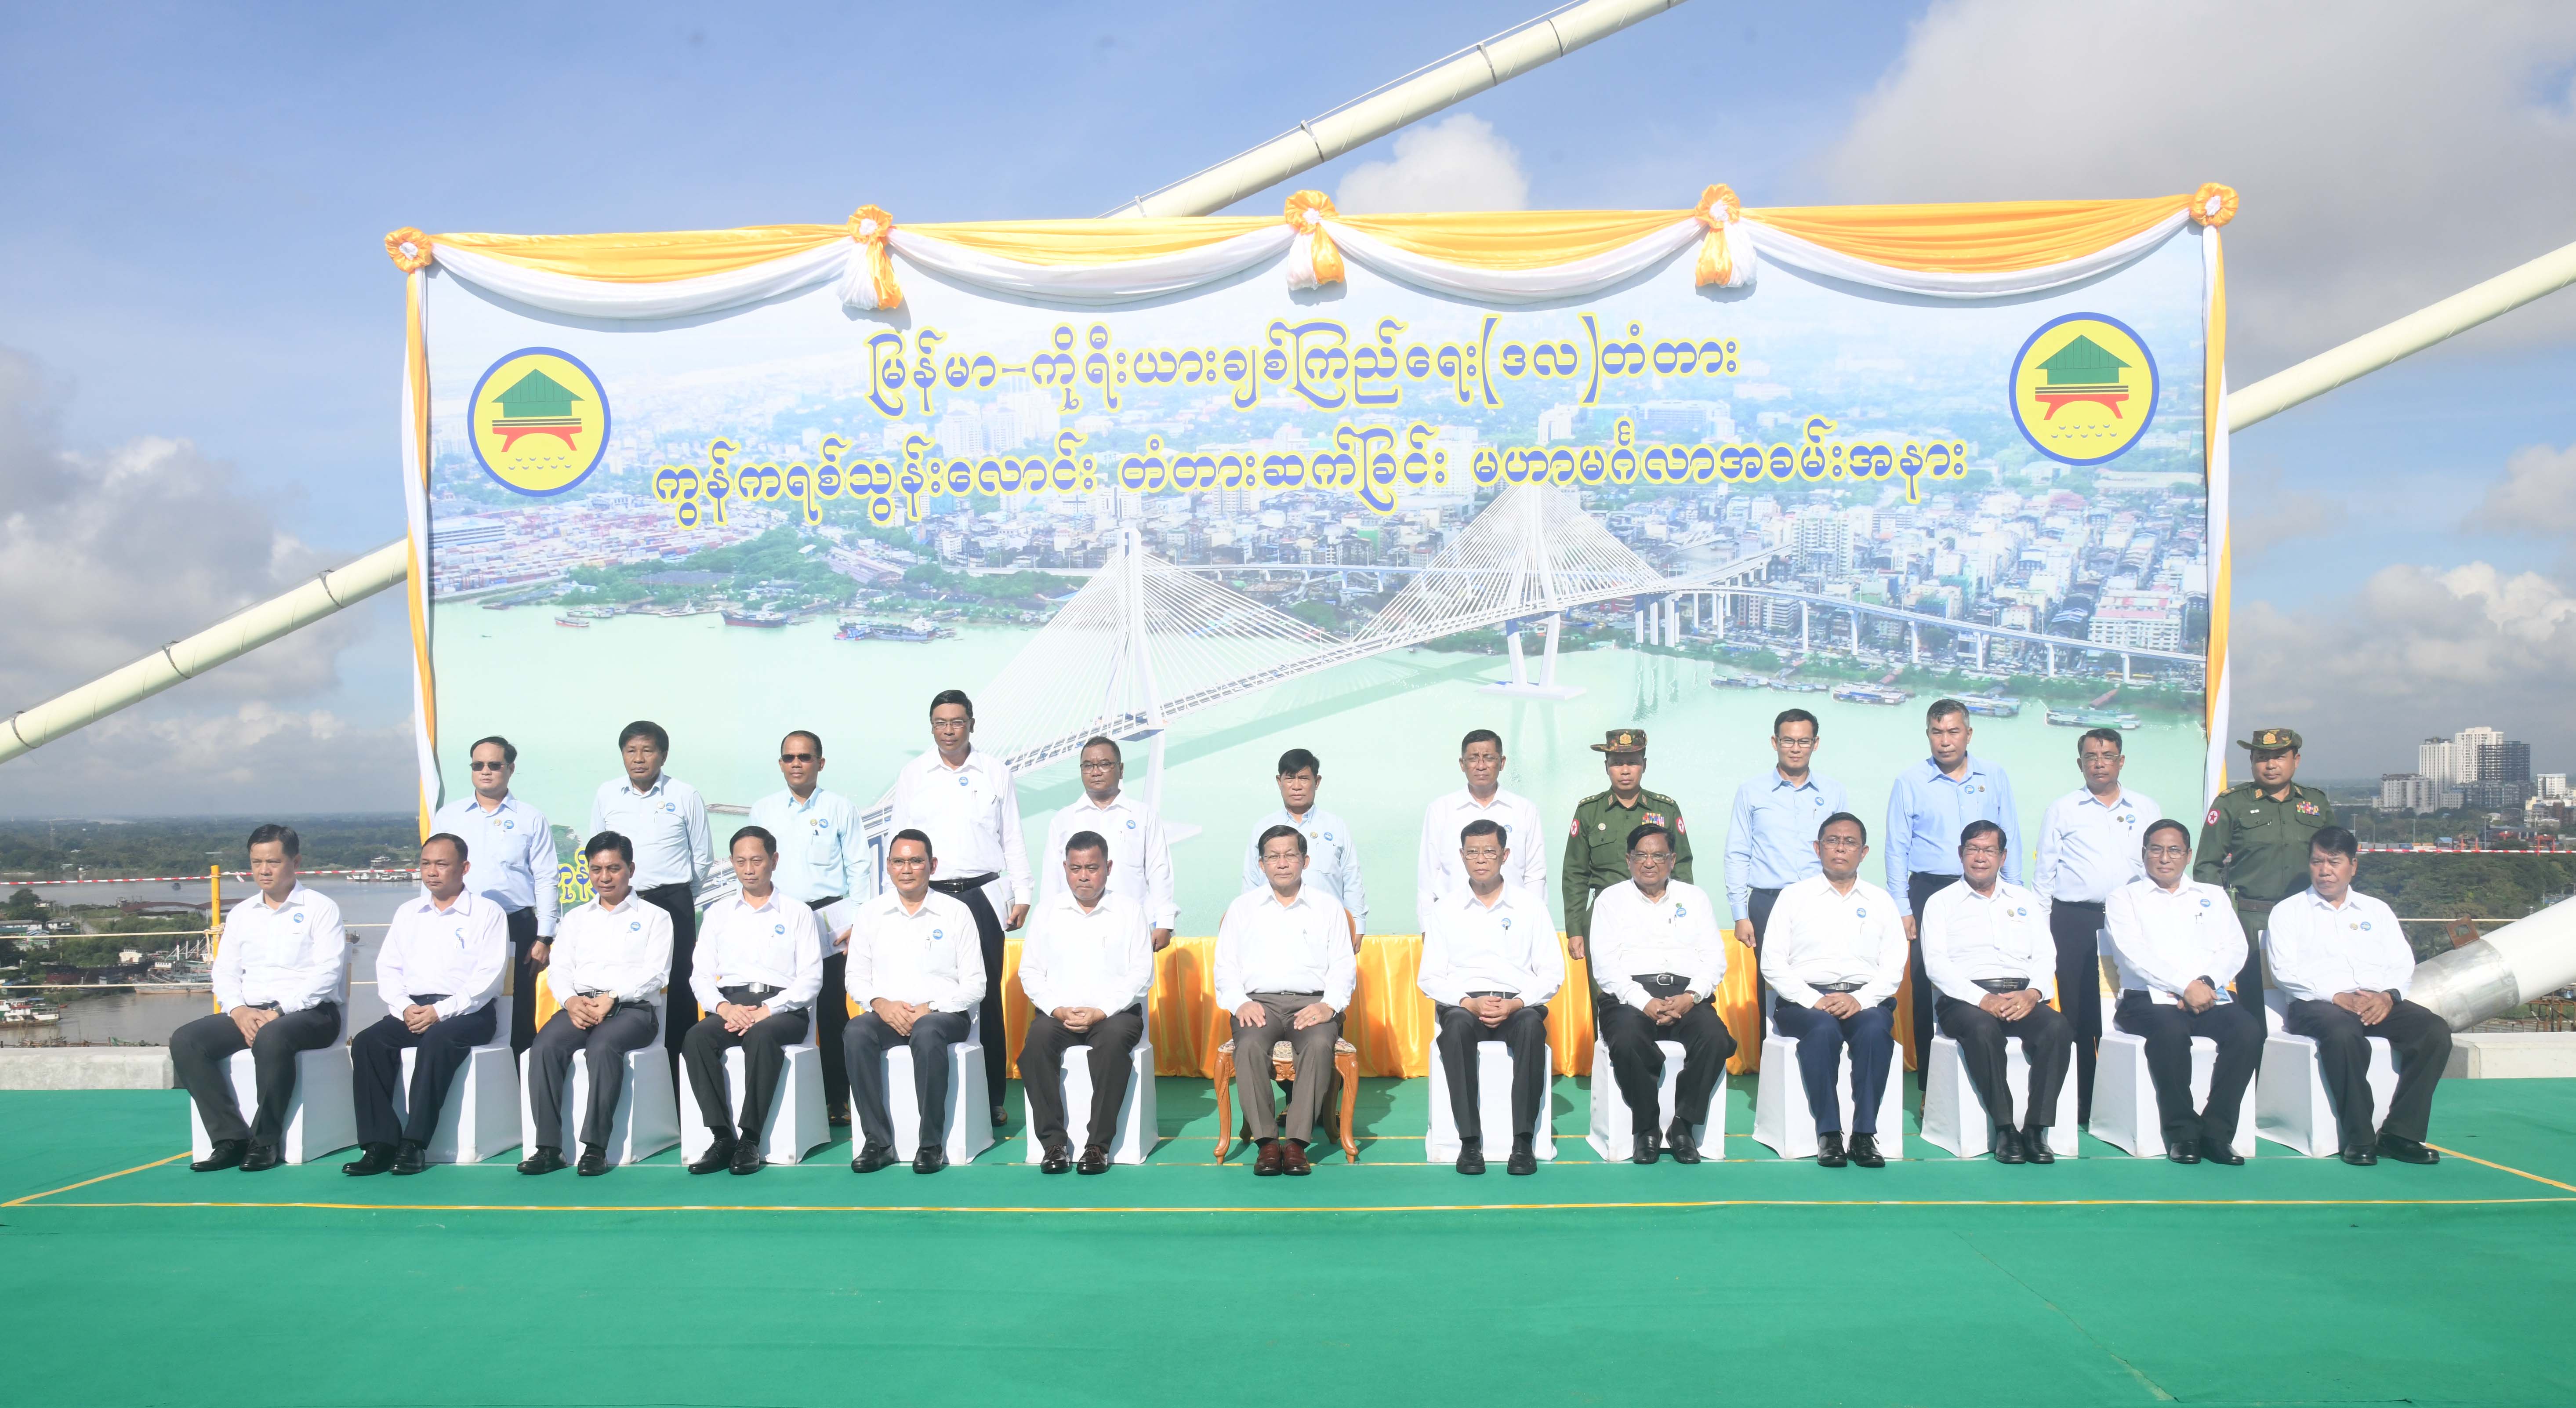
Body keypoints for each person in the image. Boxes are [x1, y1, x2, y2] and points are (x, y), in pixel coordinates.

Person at [2266, 827, 2451, 1166]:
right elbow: (2284, 972)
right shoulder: (2288, 912)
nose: (2325, 871)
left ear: (2353, 865)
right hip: (2316, 1004)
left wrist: (2388, 997)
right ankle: (2360, 1137)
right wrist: (2336, 996)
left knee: (2434, 1031)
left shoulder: (2376, 910)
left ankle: (2401, 1134)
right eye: (2317, 862)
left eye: (2334, 862)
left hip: (2375, 1001)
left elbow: (2401, 963)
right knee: (2343, 1034)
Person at [889, 689, 1029, 1132]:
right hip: (929, 896)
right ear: (932, 727)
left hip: (984, 894)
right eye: (941, 723)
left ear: (971, 724)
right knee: (929, 986)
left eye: (957, 722)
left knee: (984, 995)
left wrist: (1023, 892)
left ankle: (991, 1098)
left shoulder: (995, 772)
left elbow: (1012, 836)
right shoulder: (914, 774)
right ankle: (931, 1093)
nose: (949, 731)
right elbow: (898, 840)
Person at [172, 824, 349, 1173]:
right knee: (187, 1041)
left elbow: (328, 973)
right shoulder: (242, 913)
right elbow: (225, 971)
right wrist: (238, 1011)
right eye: (256, 863)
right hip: (251, 1013)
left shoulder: (321, 908)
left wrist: (278, 1013)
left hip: (311, 1014)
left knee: (272, 1036)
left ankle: (265, 1141)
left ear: (295, 862)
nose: (264, 871)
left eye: (273, 862)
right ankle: (230, 1139)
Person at [343, 833, 508, 1176]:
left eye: (442, 864)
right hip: (414, 1010)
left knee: (437, 1039)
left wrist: (439, 1012)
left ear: (464, 868)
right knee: (368, 1043)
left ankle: (414, 1143)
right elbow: (388, 968)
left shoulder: (487, 913)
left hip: (469, 1013)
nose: (432, 872)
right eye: (426, 864)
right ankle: (379, 1144)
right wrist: (405, 1008)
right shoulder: (408, 913)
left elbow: (488, 979)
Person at [2103, 819, 2260, 1164]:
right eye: (2156, 850)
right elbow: (2133, 953)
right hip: (2147, 1000)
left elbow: (2235, 948)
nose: (2165, 858)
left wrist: (2205, 983)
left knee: (2248, 1031)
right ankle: (2183, 1134)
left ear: (2188, 856)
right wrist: (2184, 987)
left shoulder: (2212, 896)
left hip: (2208, 995)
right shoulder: (2123, 898)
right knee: (2171, 1033)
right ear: (2144, 853)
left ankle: (2217, 1134)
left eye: (2174, 850)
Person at [1919, 820, 2072, 1165]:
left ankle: (2036, 1129)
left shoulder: (2024, 900)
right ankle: (2005, 1129)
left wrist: (2034, 993)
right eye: (1973, 849)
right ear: (1961, 854)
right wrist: (1982, 999)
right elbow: (1936, 964)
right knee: (1982, 1029)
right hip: (1965, 1001)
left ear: (2003, 857)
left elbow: (2045, 954)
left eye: (1989, 850)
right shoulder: (1941, 902)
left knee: (2057, 1027)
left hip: (2021, 997)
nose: (1980, 857)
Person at [1886, 698, 2022, 1080]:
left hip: (1986, 888)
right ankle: (1930, 1082)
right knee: (1925, 981)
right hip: (1929, 890)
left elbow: (2011, 835)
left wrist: (2016, 893)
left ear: (1969, 734)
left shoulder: (1994, 776)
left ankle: (1992, 1070)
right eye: (1937, 733)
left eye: (1953, 732)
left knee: (1989, 967)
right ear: (1928, 735)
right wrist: (1902, 907)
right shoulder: (1910, 781)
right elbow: (1897, 847)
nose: (1945, 741)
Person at [521, 832, 671, 1177]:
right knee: (544, 1048)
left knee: (602, 1047)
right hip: (580, 1006)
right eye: (596, 869)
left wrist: (612, 997)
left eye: (614, 868)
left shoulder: (656, 917)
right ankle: (548, 1148)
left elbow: (657, 974)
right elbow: (559, 970)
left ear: (631, 869)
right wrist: (571, 1000)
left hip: (633, 1010)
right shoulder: (576, 918)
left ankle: (595, 1148)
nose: (604, 877)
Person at [1418, 818, 1562, 1176]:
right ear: (1461, 856)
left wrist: (1516, 1003)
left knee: (1531, 1027)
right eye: (1472, 852)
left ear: (1505, 855)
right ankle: (1469, 1143)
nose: (1481, 859)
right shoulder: (1445, 909)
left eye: (1489, 852)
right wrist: (1468, 1002)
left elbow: (1552, 973)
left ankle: (1523, 1143)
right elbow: (1429, 977)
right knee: (1455, 1028)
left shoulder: (1530, 907)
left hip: (1517, 1004)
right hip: (1465, 1005)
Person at [1761, 813, 1906, 1168]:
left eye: (1850, 842)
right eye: (1832, 841)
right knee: (1823, 1029)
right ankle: (1829, 1133)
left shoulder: (1881, 900)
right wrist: (1815, 1000)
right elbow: (1772, 962)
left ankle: (1864, 1134)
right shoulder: (1794, 897)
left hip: (1863, 1000)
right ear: (1818, 848)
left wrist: (1861, 999)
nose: (1841, 848)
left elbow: (1894, 966)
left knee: (1875, 1030)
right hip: (1804, 1002)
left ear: (1864, 852)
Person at [2032, 727, 2158, 1126]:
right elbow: (2044, 875)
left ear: (2121, 761)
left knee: (2126, 1005)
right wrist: (2040, 930)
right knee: (2077, 1013)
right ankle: (2081, 1100)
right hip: (2074, 921)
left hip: (2129, 920)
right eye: (2091, 757)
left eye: (2107, 756)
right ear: (2080, 763)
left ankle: (2124, 1098)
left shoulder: (2146, 808)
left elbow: (2158, 866)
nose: (2099, 763)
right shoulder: (2063, 809)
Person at [1215, 825, 1358, 1176]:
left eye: (1290, 855)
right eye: (1273, 857)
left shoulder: (1328, 907)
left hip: (1312, 1004)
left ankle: (1296, 1144)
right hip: (1257, 1004)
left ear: (1305, 861)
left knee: (1319, 1045)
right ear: (1261, 864)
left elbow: (1344, 965)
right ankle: (1267, 1143)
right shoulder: (1242, 908)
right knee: (1248, 1047)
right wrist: (1239, 1002)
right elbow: (1225, 966)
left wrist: (1329, 1005)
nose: (1282, 863)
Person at [681, 827, 824, 1176]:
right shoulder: (718, 913)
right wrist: (723, 1008)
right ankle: (722, 1137)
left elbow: (811, 979)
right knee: (696, 1038)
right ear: (732, 862)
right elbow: (700, 976)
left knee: (762, 1035)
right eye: (740, 861)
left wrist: (768, 1010)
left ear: (774, 861)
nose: (748, 870)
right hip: (732, 1006)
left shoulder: (797, 912)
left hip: (784, 1008)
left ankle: (750, 1139)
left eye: (757, 861)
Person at [843, 830, 986, 1175]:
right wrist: (880, 1004)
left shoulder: (956, 912)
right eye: (899, 861)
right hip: (888, 1013)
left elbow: (976, 984)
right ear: (888, 867)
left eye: (916, 861)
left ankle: (931, 1143)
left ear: (932, 866)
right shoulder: (871, 913)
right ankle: (878, 1142)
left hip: (944, 1014)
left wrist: (930, 1008)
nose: (906, 869)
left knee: (927, 1031)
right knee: (856, 1032)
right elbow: (855, 977)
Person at [1587, 823, 1731, 1165]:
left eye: (1658, 856)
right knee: (1626, 1040)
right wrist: (1645, 1002)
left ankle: (1684, 1125)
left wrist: (1692, 996)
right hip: (1628, 998)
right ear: (1628, 860)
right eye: (1641, 856)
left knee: (1716, 1038)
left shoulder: (1694, 899)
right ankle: (1647, 1127)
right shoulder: (1611, 901)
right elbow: (1605, 967)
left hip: (1686, 995)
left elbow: (1715, 959)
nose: (1649, 863)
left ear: (1673, 860)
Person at [747, 729, 867, 1126]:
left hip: (829, 919)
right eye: (789, 758)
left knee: (832, 1010)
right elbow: (752, 864)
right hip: (779, 917)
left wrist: (858, 920)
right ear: (781, 763)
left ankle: (837, 1098)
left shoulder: (840, 808)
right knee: (781, 1005)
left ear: (820, 763)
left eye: (805, 757)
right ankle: (784, 1098)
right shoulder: (763, 810)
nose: (796, 764)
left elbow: (859, 865)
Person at [1017, 831, 1153, 1175]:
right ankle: (1053, 1144)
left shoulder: (1129, 911)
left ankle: (1098, 1146)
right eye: (1076, 868)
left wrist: (1102, 1011)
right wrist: (1057, 1008)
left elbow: (1142, 973)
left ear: (1108, 867)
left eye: (1092, 868)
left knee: (1112, 1046)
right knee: (1035, 1046)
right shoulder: (1048, 912)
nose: (1083, 876)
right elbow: (1029, 971)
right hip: (1060, 1013)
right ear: (1065, 868)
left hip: (1115, 1014)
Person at [587, 720, 712, 1073]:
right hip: (622, 903)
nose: (638, 759)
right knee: (623, 977)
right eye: (631, 751)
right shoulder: (607, 794)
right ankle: (626, 1064)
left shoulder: (684, 795)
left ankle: (679, 1074)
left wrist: (681, 895)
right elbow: (597, 848)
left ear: (664, 755)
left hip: (673, 902)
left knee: (678, 984)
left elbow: (702, 856)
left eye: (647, 751)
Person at [431, 735, 558, 1056]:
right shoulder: (449, 817)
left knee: (519, 1010)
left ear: (510, 769)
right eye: (478, 765)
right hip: (461, 924)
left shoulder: (530, 818)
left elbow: (546, 878)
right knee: (461, 1003)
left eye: (494, 765)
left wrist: (545, 937)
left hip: (515, 925)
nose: (485, 771)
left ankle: (519, 1079)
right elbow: (433, 873)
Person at [1562, 728, 1693, 1031]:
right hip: (1605, 917)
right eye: (1617, 763)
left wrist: (1684, 916)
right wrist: (1575, 929)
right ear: (1606, 766)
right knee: (1606, 994)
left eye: (1632, 762)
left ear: (1644, 765)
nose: (1625, 770)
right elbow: (1575, 873)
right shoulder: (1589, 811)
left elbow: (1683, 865)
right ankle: (1609, 1048)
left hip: (1658, 911)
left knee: (1661, 987)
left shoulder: (1665, 809)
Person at [2197, 726, 2337, 1005]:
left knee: (2314, 992)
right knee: (2255, 998)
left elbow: (2336, 857)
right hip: (2253, 918)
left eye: (2280, 757)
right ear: (2252, 762)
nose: (2271, 765)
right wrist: (2221, 916)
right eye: (2262, 758)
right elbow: (2207, 866)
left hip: (2307, 915)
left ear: (2296, 761)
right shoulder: (2231, 803)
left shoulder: (2315, 802)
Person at [1723, 708, 1844, 1025]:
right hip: (1768, 902)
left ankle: (1821, 1038)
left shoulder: (1833, 792)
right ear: (1774, 742)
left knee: (1820, 974)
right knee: (1769, 981)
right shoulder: (1752, 791)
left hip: (1820, 900)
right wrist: (1740, 914)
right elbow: (1738, 853)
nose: (1795, 748)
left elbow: (1845, 850)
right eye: (1788, 741)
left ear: (1816, 744)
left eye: (1804, 741)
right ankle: (1768, 1050)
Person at [1040, 737, 1176, 950]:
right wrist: (1047, 923)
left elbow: (1159, 870)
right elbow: (1052, 878)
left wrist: (1164, 922)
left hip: (1131, 927)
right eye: (1088, 766)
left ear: (1121, 770)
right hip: (1076, 929)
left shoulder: (1143, 815)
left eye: (1104, 764)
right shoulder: (1064, 820)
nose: (1096, 772)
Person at [1415, 729, 1548, 917]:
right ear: (1462, 764)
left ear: (1502, 763)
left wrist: (1535, 918)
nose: (1481, 766)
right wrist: (1427, 924)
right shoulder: (1441, 810)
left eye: (1489, 758)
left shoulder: (1525, 810)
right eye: (1473, 759)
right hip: (1453, 918)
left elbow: (1535, 874)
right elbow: (1428, 874)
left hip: (1512, 918)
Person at [1241, 747, 1367, 936]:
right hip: (1272, 928)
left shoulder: (1336, 826)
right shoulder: (1263, 827)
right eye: (1290, 778)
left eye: (1304, 778)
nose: (1297, 786)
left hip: (1328, 927)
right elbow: (1251, 880)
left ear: (1317, 782)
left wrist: (1358, 925)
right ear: (1279, 782)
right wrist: (1247, 924)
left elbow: (1352, 878)